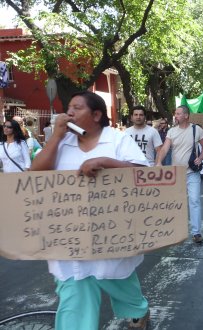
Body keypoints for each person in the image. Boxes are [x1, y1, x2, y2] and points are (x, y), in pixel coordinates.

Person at [31, 91, 150, 330]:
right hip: (68, 238)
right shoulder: (62, 142)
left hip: (111, 236)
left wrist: (105, 162)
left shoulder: (116, 139)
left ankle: (138, 312)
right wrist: (55, 137)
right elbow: (36, 174)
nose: (69, 112)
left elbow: (142, 174)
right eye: (68, 108)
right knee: (75, 299)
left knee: (119, 282)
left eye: (77, 107)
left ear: (96, 115)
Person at [155, 105, 203, 244]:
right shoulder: (172, 131)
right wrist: (159, 162)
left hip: (192, 173)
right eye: (175, 113)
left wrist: (200, 158)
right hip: (176, 174)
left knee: (194, 201)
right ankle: (175, 231)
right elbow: (165, 148)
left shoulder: (196, 129)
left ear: (186, 115)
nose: (176, 116)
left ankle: (196, 232)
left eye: (178, 113)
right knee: (176, 203)